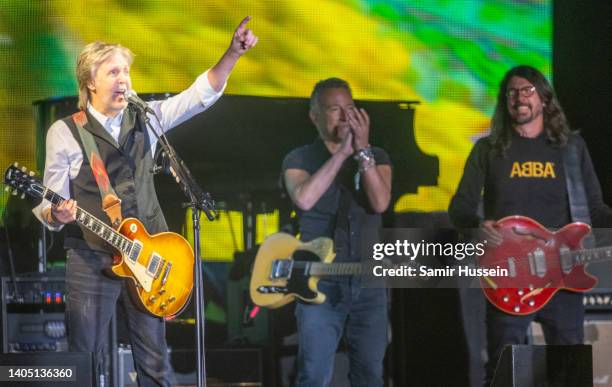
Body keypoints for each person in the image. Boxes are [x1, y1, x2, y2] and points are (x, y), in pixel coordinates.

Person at [32, 17, 257, 386]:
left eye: (126, 72)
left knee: (154, 363)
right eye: (113, 72)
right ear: (90, 82)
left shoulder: (146, 119)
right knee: (85, 358)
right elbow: (48, 202)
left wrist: (232, 53)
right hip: (91, 258)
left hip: (148, 257)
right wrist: (56, 212)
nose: (124, 79)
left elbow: (199, 96)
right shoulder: (66, 132)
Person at [448, 65, 612, 385]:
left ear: (544, 99)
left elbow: (595, 209)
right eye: (512, 92)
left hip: (563, 277)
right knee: (503, 371)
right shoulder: (488, 149)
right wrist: (476, 225)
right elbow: (460, 208)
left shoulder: (571, 149)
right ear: (504, 101)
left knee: (569, 371)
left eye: (527, 91)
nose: (519, 98)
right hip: (508, 276)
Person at [281, 78, 392, 387]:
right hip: (320, 283)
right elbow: (304, 197)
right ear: (314, 116)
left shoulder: (377, 156)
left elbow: (380, 202)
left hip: (368, 283)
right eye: (334, 109)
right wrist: (342, 154)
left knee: (369, 375)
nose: (345, 117)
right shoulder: (299, 159)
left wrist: (363, 152)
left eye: (350, 108)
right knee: (314, 376)